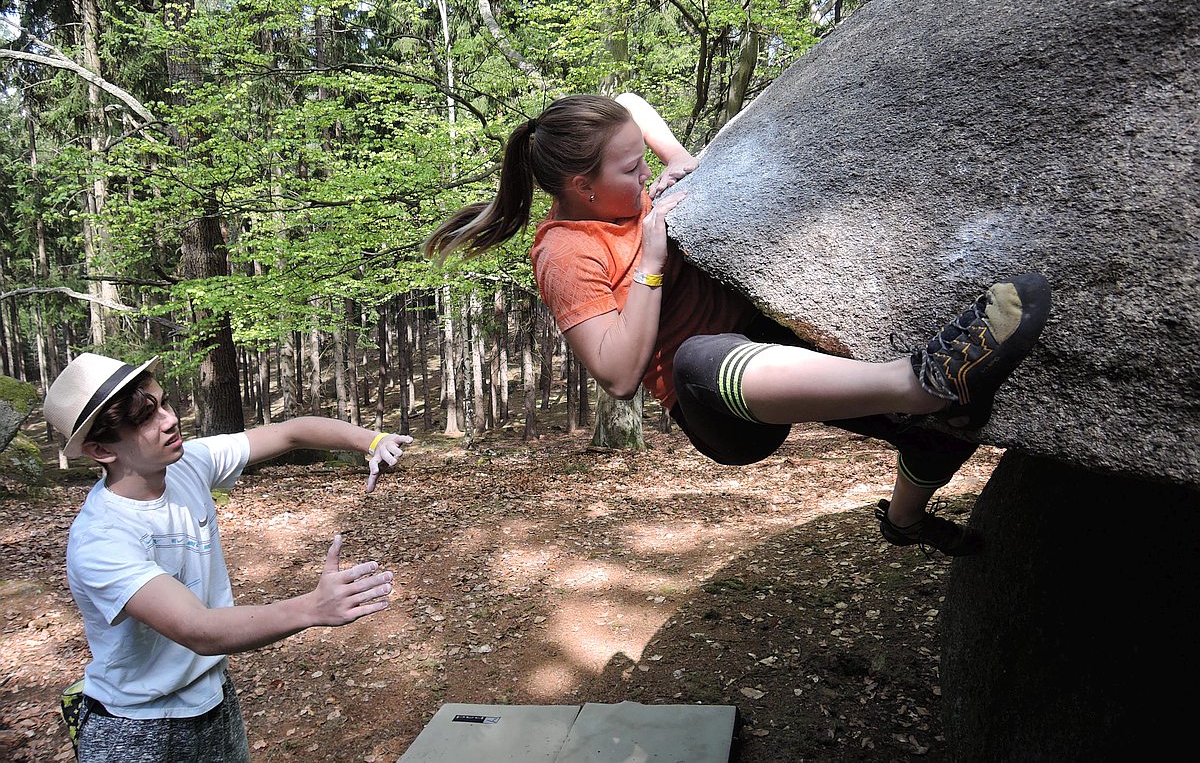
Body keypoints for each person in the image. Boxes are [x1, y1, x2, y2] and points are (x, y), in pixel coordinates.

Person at [425, 93, 1051, 556]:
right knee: (700, 354)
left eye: (642, 162)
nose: (644, 178)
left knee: (958, 420)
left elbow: (628, 103)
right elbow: (616, 375)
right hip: (716, 407)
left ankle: (905, 521)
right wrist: (649, 263)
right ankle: (919, 379)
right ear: (581, 188)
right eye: (630, 171)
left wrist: (678, 158)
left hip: (770, 350)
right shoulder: (565, 252)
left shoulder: (622, 186)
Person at [42, 352, 412, 762]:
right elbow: (199, 630)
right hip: (137, 728)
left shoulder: (187, 465)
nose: (168, 420)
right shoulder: (102, 539)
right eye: (144, 419)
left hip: (214, 700)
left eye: (164, 403)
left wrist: (373, 441)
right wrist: (312, 607)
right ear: (100, 450)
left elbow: (290, 433)